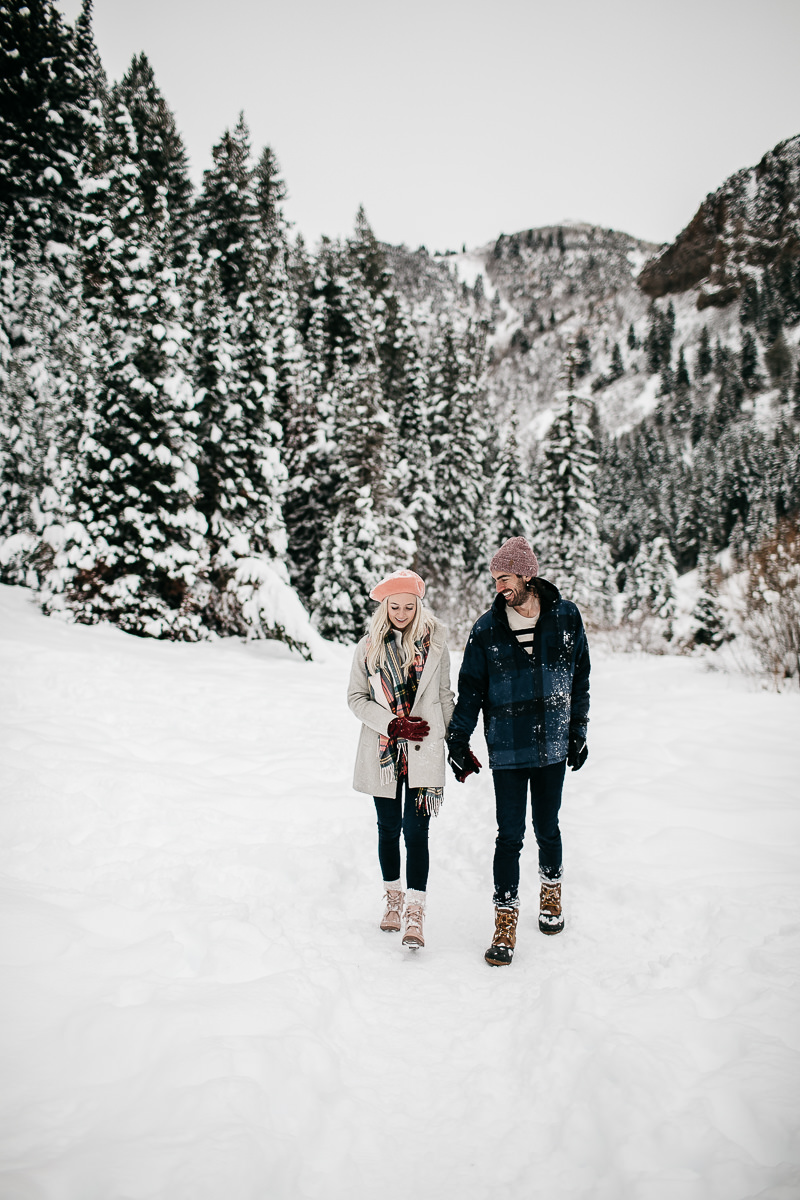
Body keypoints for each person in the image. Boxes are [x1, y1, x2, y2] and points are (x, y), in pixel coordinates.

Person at [446, 537, 590, 966]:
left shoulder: (565, 617)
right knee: (509, 836)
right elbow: (470, 689)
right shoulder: (486, 629)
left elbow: (580, 675)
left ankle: (551, 896)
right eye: (495, 580)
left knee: (548, 827)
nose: (499, 587)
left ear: (527, 574)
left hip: (552, 744)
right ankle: (505, 922)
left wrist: (578, 732)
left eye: (504, 578)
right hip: (508, 748)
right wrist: (458, 738)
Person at [347, 569, 454, 949]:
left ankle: (415, 912)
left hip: (424, 750)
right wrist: (392, 725)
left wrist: (455, 741)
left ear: (419, 606)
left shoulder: (434, 644)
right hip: (385, 752)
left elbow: (443, 695)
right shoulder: (368, 647)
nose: (403, 613)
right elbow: (356, 699)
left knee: (417, 832)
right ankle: (393, 902)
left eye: (410, 606)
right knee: (389, 829)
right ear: (385, 606)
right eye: (396, 606)